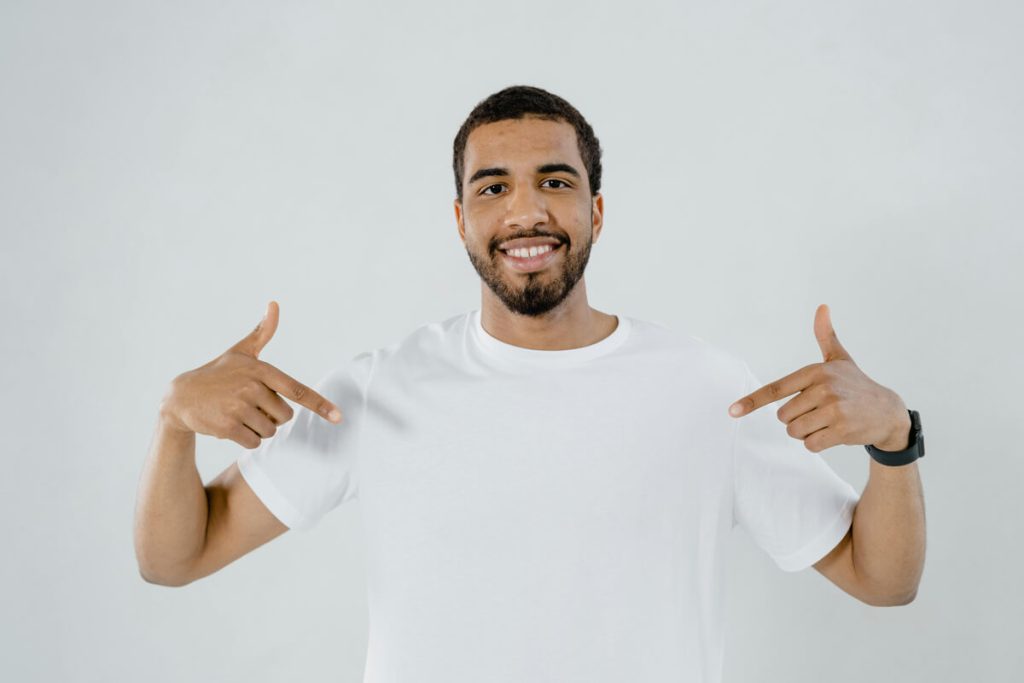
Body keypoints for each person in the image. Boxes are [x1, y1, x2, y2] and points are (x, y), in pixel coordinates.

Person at [134, 85, 926, 683]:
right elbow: (176, 557)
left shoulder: (707, 389)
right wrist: (174, 421)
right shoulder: (380, 390)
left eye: (554, 181)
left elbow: (881, 579)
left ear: (596, 209)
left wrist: (895, 439)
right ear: (459, 218)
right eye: (492, 187)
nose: (525, 211)